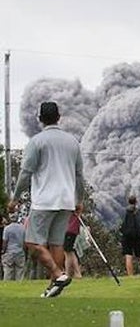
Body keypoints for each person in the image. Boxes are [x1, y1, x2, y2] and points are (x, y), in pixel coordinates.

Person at [6, 101, 85, 298]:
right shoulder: (72, 142)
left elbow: (26, 172)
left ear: (40, 119)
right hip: (66, 200)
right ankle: (54, 286)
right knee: (56, 244)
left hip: (44, 200)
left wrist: (15, 199)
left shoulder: (37, 141)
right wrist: (79, 199)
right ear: (59, 117)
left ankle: (58, 275)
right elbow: (79, 174)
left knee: (32, 243)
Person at [120, 195, 140, 275]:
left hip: (127, 236)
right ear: (136, 202)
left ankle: (130, 275)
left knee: (128, 256)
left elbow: (122, 223)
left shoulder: (125, 211)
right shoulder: (139, 211)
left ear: (128, 202)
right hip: (137, 235)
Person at [2, 214, 26, 281]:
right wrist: (24, 250)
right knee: (20, 270)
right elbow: (24, 241)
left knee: (8, 269)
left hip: (9, 251)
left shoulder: (7, 228)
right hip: (20, 251)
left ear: (10, 219)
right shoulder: (22, 228)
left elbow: (5, 241)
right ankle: (19, 283)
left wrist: (3, 251)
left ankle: (7, 283)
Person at [63, 212, 83, 279]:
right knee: (68, 251)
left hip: (70, 229)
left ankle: (76, 273)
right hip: (70, 229)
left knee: (69, 252)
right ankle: (69, 273)